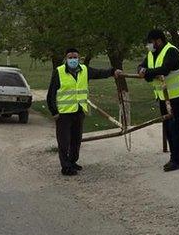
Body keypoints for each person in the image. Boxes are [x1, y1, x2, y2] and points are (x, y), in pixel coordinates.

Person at [46, 48, 122, 176]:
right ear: (66, 59)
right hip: (64, 113)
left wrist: (113, 71)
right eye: (70, 57)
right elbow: (51, 94)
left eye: (75, 57)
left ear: (79, 58)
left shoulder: (84, 70)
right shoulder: (59, 72)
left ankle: (72, 161)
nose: (73, 60)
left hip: (79, 110)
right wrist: (54, 111)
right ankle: (65, 167)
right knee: (64, 141)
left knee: (76, 140)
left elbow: (99, 73)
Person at [138, 29, 179, 172]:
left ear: (158, 41)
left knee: (175, 128)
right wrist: (142, 70)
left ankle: (178, 160)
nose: (148, 46)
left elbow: (164, 70)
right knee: (168, 128)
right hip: (164, 97)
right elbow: (143, 66)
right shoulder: (152, 54)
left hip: (178, 96)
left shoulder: (171, 51)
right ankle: (174, 157)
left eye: (150, 42)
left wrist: (147, 73)